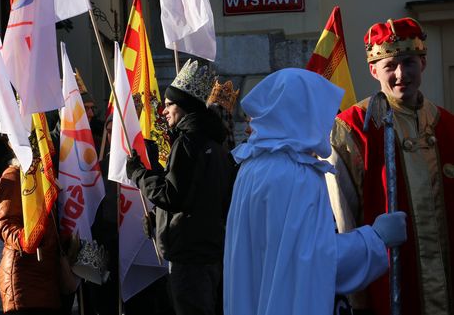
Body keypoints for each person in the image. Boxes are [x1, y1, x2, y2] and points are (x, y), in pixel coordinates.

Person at [225, 68, 406, 315]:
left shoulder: (253, 166)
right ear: (302, 114)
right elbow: (314, 262)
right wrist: (375, 239)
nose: (329, 123)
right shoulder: (297, 174)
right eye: (322, 114)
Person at [328, 17, 454, 315]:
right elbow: (342, 219)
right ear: (373, 70)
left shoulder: (447, 125)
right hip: (387, 288)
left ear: (423, 63)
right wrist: (356, 297)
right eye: (390, 65)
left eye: (409, 62)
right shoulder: (352, 130)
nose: (401, 74)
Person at [126, 59, 234, 315]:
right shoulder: (217, 146)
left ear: (184, 106)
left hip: (189, 258)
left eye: (169, 104)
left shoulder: (188, 143)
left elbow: (172, 195)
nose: (163, 111)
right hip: (209, 253)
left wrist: (138, 174)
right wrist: (158, 218)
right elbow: (199, 199)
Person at [0, 152, 62, 315]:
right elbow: (5, 224)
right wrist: (26, 239)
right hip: (24, 276)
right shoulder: (14, 175)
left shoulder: (46, 175)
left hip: (47, 272)